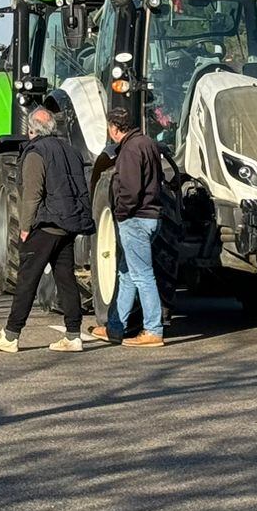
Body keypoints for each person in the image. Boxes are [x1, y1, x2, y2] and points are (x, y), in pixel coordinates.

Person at [0, 92, 95, 355]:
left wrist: (25, 227)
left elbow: (32, 194)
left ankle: (10, 335)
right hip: (68, 224)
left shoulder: (35, 153)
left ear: (31, 129)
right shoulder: (71, 150)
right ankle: (73, 334)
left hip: (45, 224)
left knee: (26, 280)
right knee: (66, 279)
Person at [102, 103, 167, 346]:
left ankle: (153, 330)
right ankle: (115, 326)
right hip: (151, 216)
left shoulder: (129, 150)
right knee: (126, 273)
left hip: (135, 219)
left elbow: (130, 189)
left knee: (142, 275)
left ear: (114, 128)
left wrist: (121, 213)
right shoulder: (148, 143)